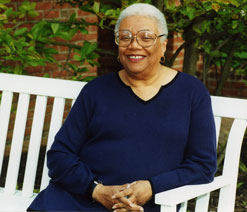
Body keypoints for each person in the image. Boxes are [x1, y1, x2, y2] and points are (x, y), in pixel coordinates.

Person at [27, 3, 217, 212]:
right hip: (80, 199)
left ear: (163, 44)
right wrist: (96, 190)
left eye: (146, 37)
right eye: (125, 37)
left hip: (148, 205)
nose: (134, 45)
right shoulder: (96, 91)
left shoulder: (192, 93)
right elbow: (60, 155)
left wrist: (152, 187)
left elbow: (202, 166)